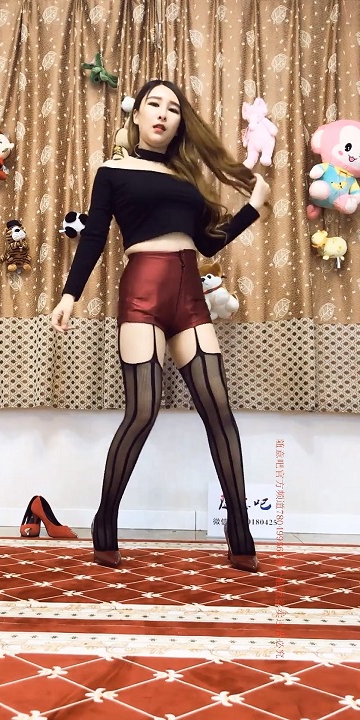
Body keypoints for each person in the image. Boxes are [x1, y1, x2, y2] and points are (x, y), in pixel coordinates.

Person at [51, 79, 271, 573]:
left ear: (178, 124)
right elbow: (94, 238)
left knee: (219, 411)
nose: (163, 113)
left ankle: (240, 529)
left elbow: (208, 243)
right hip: (143, 294)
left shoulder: (186, 177)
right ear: (137, 115)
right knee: (143, 411)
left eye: (173, 108)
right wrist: (69, 295)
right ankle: (106, 520)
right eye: (154, 104)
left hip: (189, 295)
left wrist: (252, 208)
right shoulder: (113, 170)